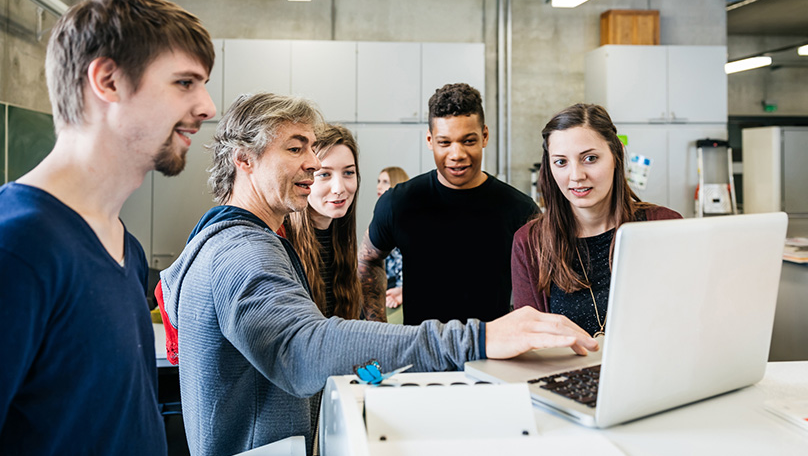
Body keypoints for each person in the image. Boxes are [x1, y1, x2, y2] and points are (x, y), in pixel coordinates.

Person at [159, 92, 598, 456]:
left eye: (313, 148)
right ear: (244, 160)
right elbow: (301, 348)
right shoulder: (243, 250)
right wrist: (478, 339)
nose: (312, 164)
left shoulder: (237, 239)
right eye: (296, 148)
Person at [0, 0, 215, 454]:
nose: (207, 107)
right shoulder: (16, 246)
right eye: (184, 83)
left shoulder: (125, 246)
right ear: (109, 81)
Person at [359, 83, 539, 324]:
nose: (457, 154)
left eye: (468, 141)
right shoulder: (398, 203)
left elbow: (544, 279)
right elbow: (368, 260)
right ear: (430, 140)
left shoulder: (520, 210)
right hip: (421, 353)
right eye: (445, 143)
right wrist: (377, 326)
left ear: (484, 136)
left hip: (491, 356)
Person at [511, 103, 682, 337]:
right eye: (561, 162)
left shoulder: (665, 226)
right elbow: (531, 344)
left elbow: (688, 322)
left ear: (616, 155)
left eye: (590, 158)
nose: (576, 176)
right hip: (567, 373)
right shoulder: (529, 243)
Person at [284, 123, 362, 319]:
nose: (339, 188)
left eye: (348, 173)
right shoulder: (281, 243)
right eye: (325, 174)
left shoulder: (342, 236)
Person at [376, 166, 409, 309]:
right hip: (384, 287)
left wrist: (403, 291)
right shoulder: (383, 216)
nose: (379, 186)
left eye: (385, 182)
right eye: (378, 181)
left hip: (399, 292)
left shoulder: (405, 220)